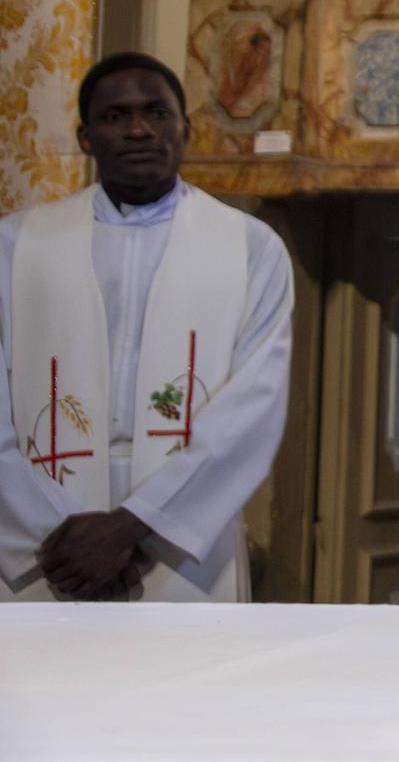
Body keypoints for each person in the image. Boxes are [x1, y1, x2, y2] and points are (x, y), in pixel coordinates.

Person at [0, 54, 293, 600]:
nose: (138, 128)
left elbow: (256, 404)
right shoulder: (18, 247)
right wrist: (56, 539)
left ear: (187, 129)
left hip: (181, 540)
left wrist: (133, 526)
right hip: (46, 542)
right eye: (116, 116)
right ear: (86, 139)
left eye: (157, 113)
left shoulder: (250, 248)